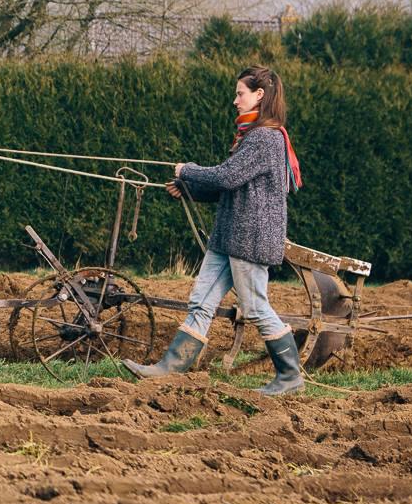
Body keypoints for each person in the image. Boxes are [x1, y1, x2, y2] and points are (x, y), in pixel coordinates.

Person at [124, 65, 304, 395]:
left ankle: (290, 377)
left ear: (259, 95)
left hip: (248, 240)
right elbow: (233, 188)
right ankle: (170, 369)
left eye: (240, 93)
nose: (235, 100)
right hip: (229, 237)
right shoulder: (254, 136)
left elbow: (226, 177)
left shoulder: (264, 138)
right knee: (201, 301)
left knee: (255, 306)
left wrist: (187, 170)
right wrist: (189, 187)